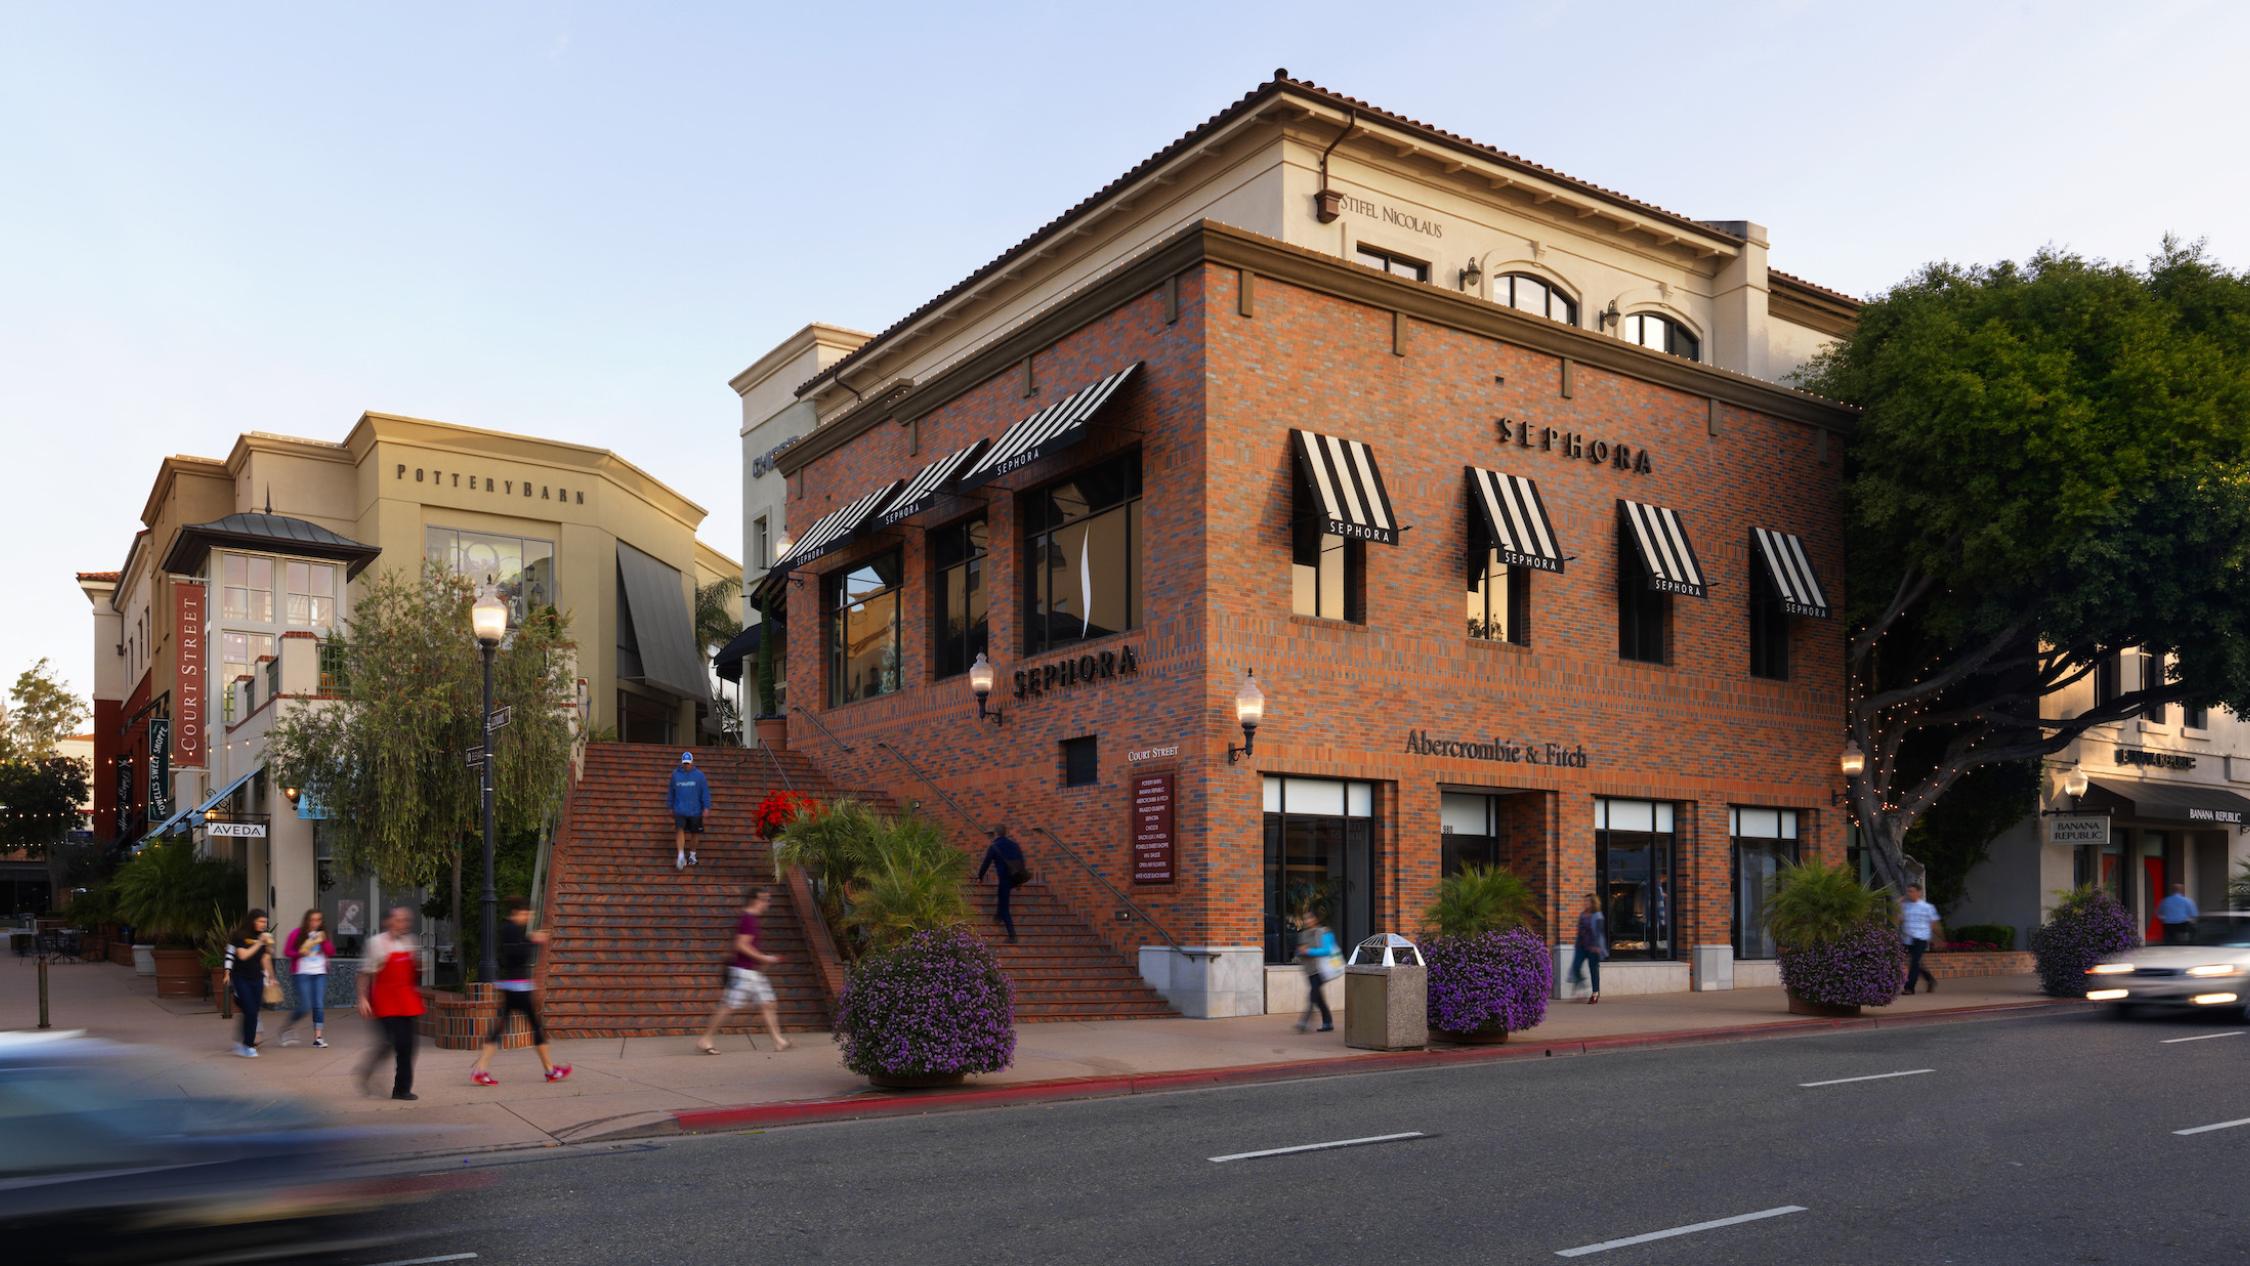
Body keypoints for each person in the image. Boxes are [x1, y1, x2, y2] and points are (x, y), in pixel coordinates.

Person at [472, 898, 570, 1086]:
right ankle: (550, 1070)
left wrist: (530, 940)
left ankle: (480, 1070)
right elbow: (517, 955)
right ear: (518, 912)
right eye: (527, 914)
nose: (528, 918)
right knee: (535, 1026)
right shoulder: (511, 930)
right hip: (518, 987)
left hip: (513, 986)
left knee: (500, 1029)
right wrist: (534, 941)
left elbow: (516, 952)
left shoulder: (510, 929)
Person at [697, 888, 790, 1054]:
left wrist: (762, 959)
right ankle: (706, 1039)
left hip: (752, 972)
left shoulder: (752, 918)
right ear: (755, 900)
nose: (768, 903)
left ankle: (778, 1040)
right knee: (728, 1006)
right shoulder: (748, 918)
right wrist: (764, 958)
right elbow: (740, 945)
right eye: (765, 899)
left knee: (768, 1004)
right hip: (742, 972)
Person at [356, 906, 425, 1101]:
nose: (404, 924)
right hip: (384, 1001)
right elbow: (364, 974)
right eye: (400, 920)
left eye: (406, 920)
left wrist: (419, 966)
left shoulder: (411, 942)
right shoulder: (376, 944)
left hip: (407, 1000)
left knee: (408, 1046)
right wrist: (362, 998)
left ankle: (401, 1089)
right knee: (388, 1044)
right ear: (389, 922)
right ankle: (367, 1071)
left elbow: (414, 971)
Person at [279, 909, 331, 1048]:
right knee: (305, 1006)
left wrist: (324, 941)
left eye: (318, 920)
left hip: (319, 972)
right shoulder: (297, 933)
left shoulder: (322, 934)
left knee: (318, 1005)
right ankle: (288, 1026)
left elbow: (331, 951)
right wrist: (300, 953)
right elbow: (287, 951)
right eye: (312, 920)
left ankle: (318, 1038)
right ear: (307, 920)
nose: (315, 923)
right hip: (302, 973)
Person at [225, 910, 274, 1057]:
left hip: (257, 978)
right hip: (241, 977)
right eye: (260, 921)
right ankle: (248, 1045)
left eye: (265, 922)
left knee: (253, 1011)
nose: (263, 925)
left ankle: (245, 1043)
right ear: (252, 921)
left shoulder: (263, 937)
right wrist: (259, 942)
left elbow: (264, 958)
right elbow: (243, 955)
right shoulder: (240, 936)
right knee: (250, 1011)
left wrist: (271, 976)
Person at [977, 825, 1028, 943]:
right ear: (1005, 833)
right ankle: (998, 916)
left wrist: (980, 877)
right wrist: (1019, 880)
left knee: (1005, 907)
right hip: (1015, 878)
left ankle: (1012, 935)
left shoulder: (994, 846)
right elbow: (1022, 862)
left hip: (1005, 879)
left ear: (996, 833)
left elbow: (986, 863)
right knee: (1001, 894)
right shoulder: (1015, 845)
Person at [1294, 911, 1340, 1033]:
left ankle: (1305, 1020)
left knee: (1313, 994)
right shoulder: (1303, 934)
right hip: (1309, 970)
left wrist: (1308, 951)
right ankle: (1328, 1022)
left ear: (1315, 919)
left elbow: (1327, 951)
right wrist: (1300, 952)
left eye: (1310, 918)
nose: (1307, 921)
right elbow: (1300, 951)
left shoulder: (1324, 932)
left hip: (1321, 970)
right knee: (1318, 997)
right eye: (1305, 919)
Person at [670, 750, 710, 870]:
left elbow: (705, 792)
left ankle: (692, 855)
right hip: (680, 809)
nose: (686, 765)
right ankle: (681, 854)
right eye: (684, 763)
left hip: (695, 809)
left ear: (692, 762)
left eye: (688, 763)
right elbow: (671, 792)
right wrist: (670, 805)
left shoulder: (699, 776)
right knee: (680, 829)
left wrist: (706, 806)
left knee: (695, 832)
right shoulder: (676, 775)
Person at [1900, 884, 1942, 995]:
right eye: (1908, 891)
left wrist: (1938, 939)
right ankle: (1930, 980)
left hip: (1921, 938)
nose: (1910, 893)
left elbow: (1934, 924)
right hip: (1907, 938)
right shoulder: (1905, 906)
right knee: (1916, 963)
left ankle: (1909, 988)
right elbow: (1897, 920)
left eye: (1912, 891)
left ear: (1919, 893)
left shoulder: (1927, 907)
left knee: (1914, 962)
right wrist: (1897, 904)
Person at [1569, 892, 1606, 1004]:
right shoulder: (1582, 915)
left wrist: (1598, 946)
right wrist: (1577, 944)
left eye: (1587, 901)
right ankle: (1582, 984)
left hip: (1593, 947)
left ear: (1593, 903)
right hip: (1581, 946)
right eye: (1584, 901)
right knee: (1576, 967)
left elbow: (1599, 933)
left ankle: (1595, 993)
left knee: (1593, 970)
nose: (1585, 903)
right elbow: (1579, 932)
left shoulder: (1598, 916)